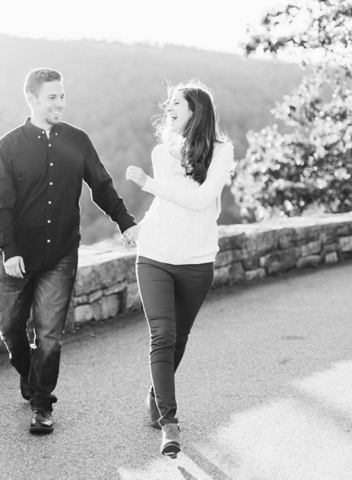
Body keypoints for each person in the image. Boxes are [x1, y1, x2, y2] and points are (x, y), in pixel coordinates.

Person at [0, 68, 138, 434]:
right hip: (18, 255)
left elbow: (101, 185)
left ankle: (42, 403)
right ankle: (29, 373)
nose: (60, 103)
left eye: (62, 96)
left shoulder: (78, 140)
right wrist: (9, 250)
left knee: (50, 335)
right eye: (52, 96)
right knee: (7, 324)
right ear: (33, 99)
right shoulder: (9, 146)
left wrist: (126, 221)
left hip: (61, 254)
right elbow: (0, 204)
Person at [124, 79, 234, 457]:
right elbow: (168, 205)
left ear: (196, 111)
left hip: (196, 260)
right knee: (163, 334)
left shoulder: (222, 152)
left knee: (179, 339)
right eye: (167, 103)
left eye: (176, 104)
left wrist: (151, 185)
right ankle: (169, 423)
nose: (167, 108)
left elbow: (200, 200)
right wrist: (141, 224)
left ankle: (156, 394)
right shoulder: (161, 151)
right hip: (154, 254)